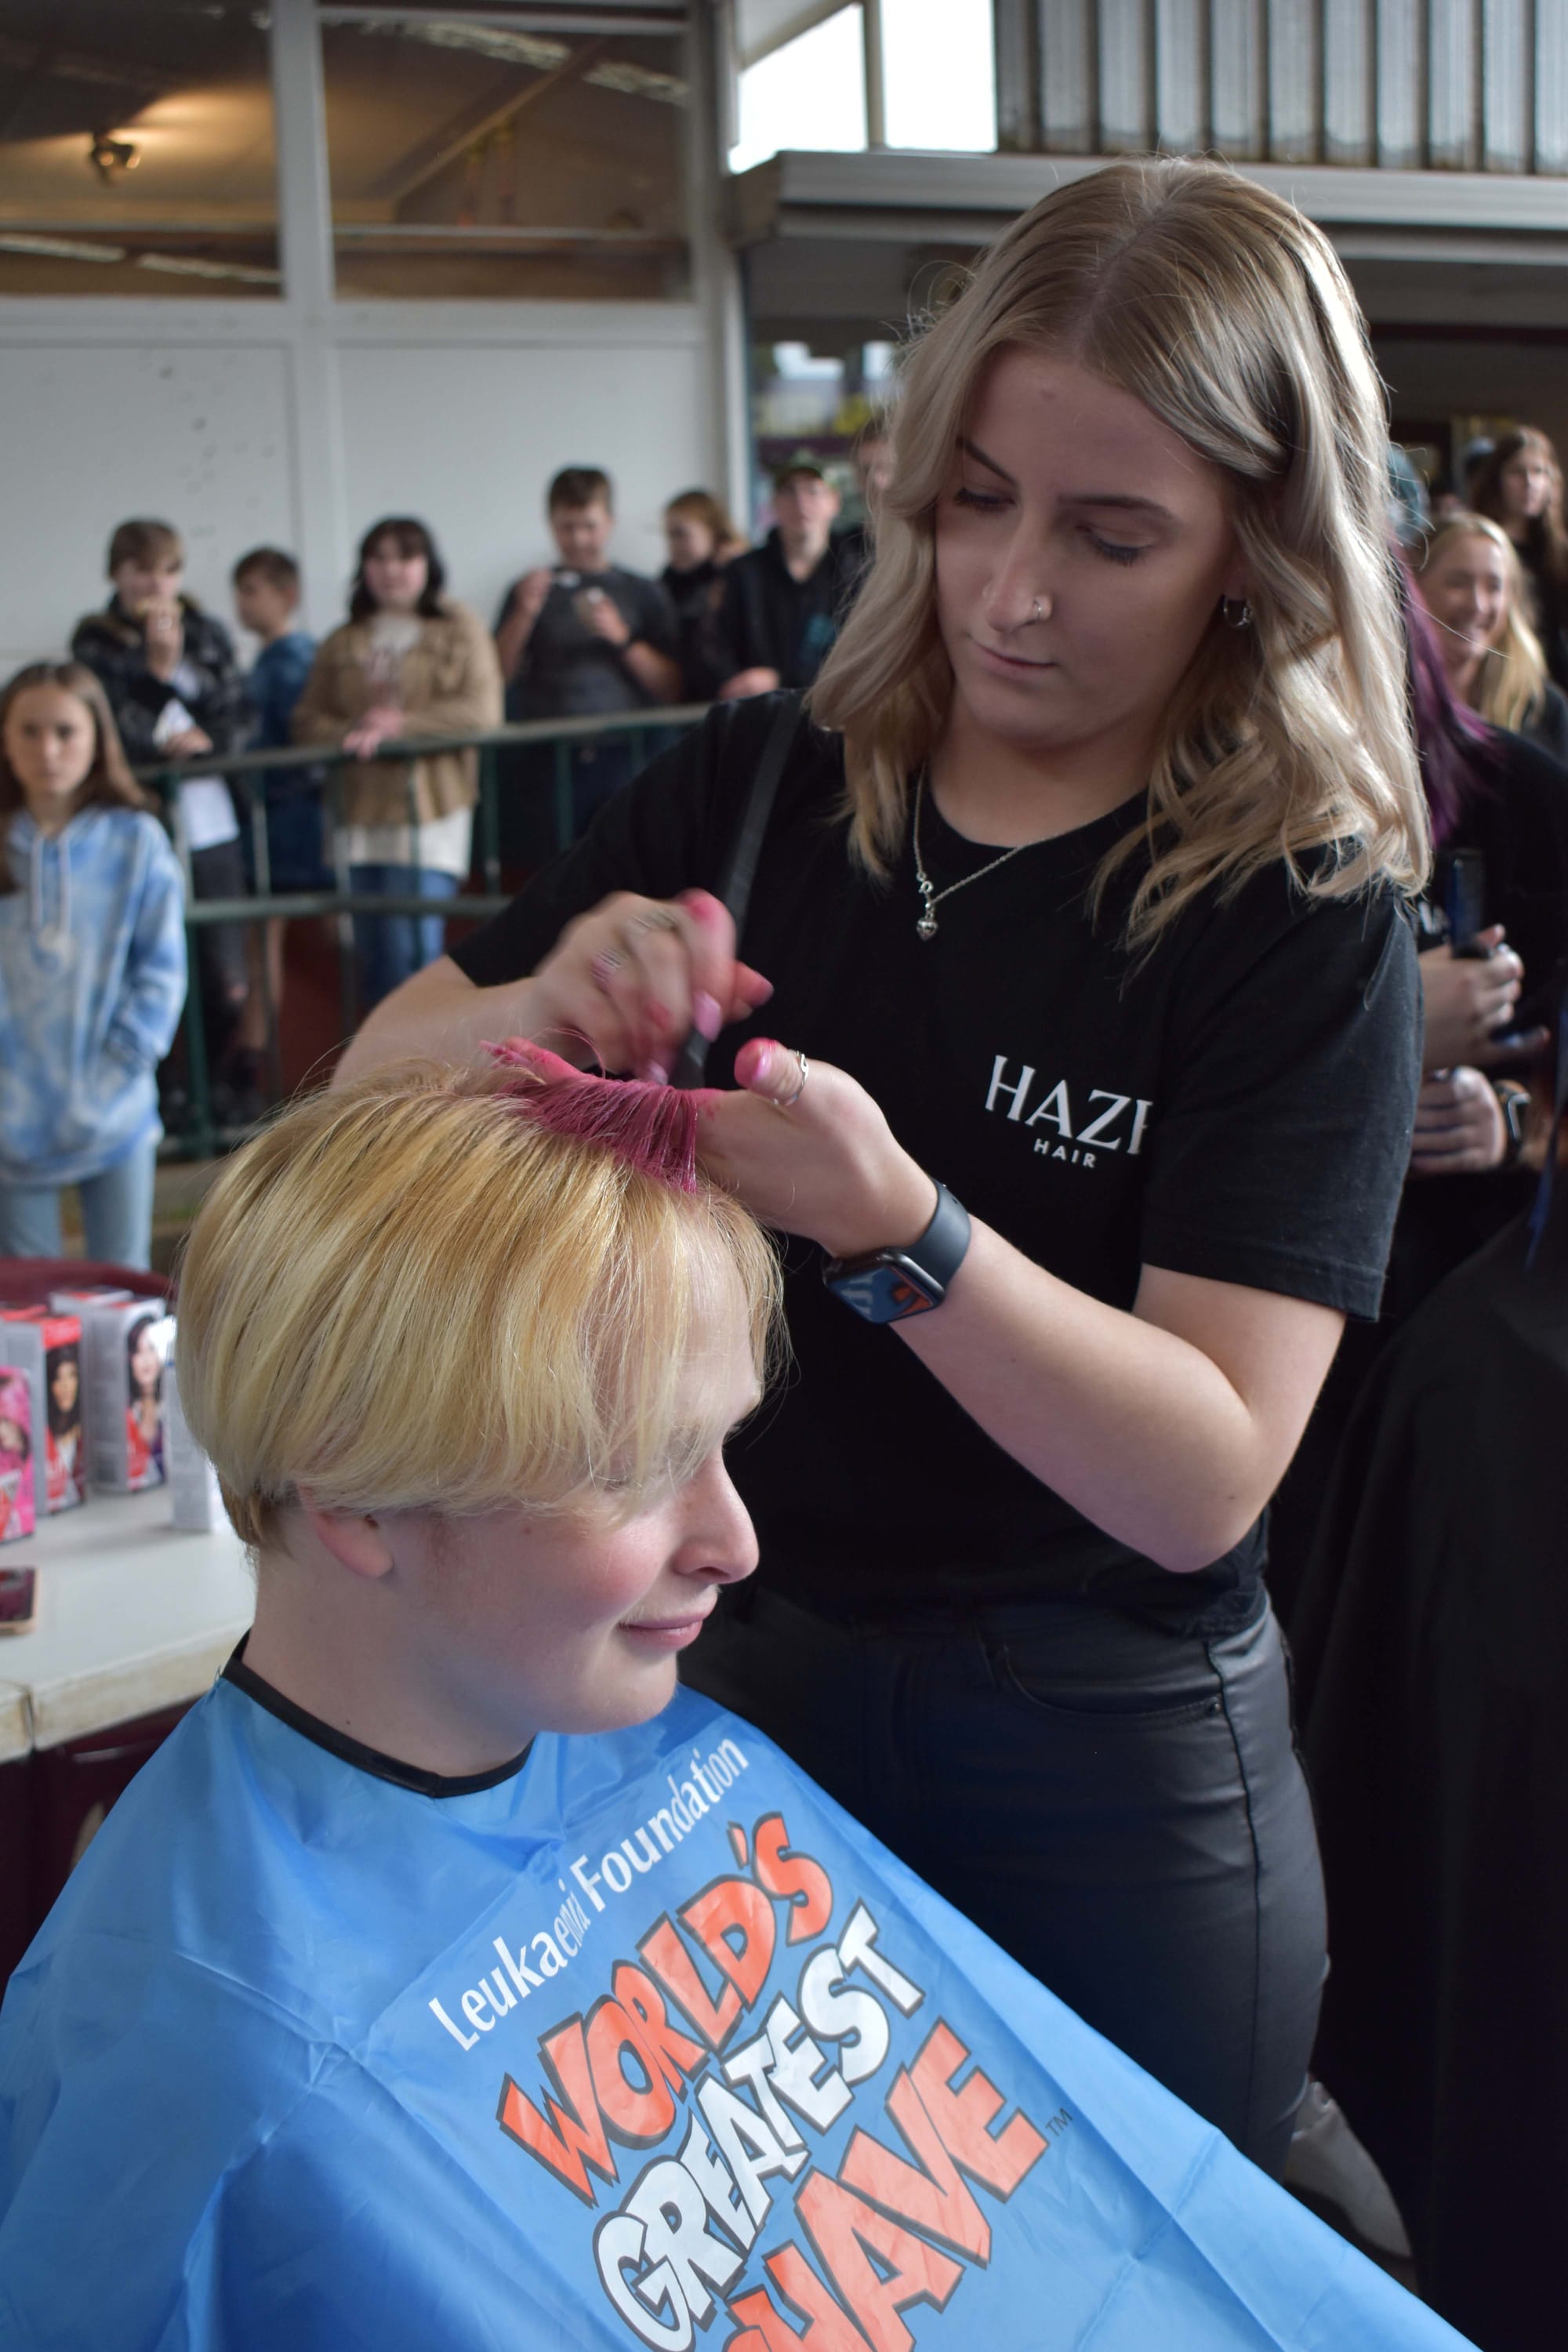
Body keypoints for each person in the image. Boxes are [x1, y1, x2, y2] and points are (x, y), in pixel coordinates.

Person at [338, 157, 1430, 2178]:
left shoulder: (1294, 907)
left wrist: (899, 1231)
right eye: (970, 505)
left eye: (1109, 535)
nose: (1010, 591)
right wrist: (549, 1002)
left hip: (1094, 1744)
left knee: (1127, 2266)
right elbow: (361, 1085)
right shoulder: (758, 780)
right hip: (727, 1677)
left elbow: (1203, 1472)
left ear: (1255, 552)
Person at [0, 1053, 1455, 2352]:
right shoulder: (225, 2081)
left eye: (720, 1447)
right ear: (352, 1496)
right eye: (635, 1468)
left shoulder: (635, 1733)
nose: (736, 1544)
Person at [0, 662, 186, 1269]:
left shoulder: (137, 841)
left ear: (97, 739)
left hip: (115, 1109)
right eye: (29, 731)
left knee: (123, 1285)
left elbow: (162, 968)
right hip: (11, 1117)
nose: (48, 750)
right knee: (30, 1294)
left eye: (65, 731)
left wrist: (127, 1059)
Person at [292, 518, 502, 1011]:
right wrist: (352, 731)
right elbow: (306, 719)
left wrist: (401, 725)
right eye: (379, 558)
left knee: (415, 951)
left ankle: (424, 1058)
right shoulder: (343, 639)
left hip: (431, 807)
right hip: (358, 810)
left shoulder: (458, 627)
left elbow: (483, 711)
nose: (391, 570)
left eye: (405, 558)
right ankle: (381, 1058)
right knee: (372, 954)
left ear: (428, 565)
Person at [71, 520, 251, 1089]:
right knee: (153, 964)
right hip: (141, 821)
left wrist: (206, 741)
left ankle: (209, 1089)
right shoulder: (95, 640)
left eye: (168, 570)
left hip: (213, 824)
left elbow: (240, 716)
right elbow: (109, 733)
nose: (156, 584)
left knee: (227, 978)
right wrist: (156, 672)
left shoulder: (207, 631)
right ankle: (169, 1094)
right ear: (116, 573)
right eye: (142, 570)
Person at [495, 467, 682, 833]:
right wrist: (524, 613)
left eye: (589, 526)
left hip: (631, 755)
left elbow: (673, 687)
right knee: (558, 862)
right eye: (567, 527)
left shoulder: (643, 590)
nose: (579, 539)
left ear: (610, 523)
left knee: (630, 858)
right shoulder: (527, 590)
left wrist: (623, 639)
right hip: (550, 760)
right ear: (551, 524)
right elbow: (498, 675)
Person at [231, 546, 325, 1102]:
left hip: (288, 824)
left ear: (286, 595)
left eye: (252, 590)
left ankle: (252, 1064)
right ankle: (252, 1061)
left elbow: (297, 749)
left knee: (267, 939)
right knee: (260, 942)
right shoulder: (272, 659)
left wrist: (264, 791)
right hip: (273, 819)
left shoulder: (293, 661)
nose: (242, 603)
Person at [1415, 510, 1568, 760]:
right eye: (1457, 583)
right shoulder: (1387, 696)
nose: (1477, 605)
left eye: (1494, 587)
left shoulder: (1542, 709)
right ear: (1416, 588)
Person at [712, 460, 862, 699]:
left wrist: (782, 680)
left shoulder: (858, 573)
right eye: (789, 491)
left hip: (839, 707)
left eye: (813, 491)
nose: (800, 502)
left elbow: (866, 656)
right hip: (760, 711)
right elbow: (717, 646)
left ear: (834, 501)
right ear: (774, 503)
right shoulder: (743, 573)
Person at [1471, 426, 1568, 691]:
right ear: (1497, 479)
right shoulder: (1481, 544)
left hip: (1553, 680)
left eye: (1539, 472)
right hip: (1497, 675)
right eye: (1517, 472)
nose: (1529, 482)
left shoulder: (1557, 550)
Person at [661, 488, 745, 701]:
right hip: (686, 698)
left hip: (732, 694)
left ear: (712, 532)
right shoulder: (668, 583)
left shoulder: (740, 576)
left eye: (681, 534)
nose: (672, 545)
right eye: (669, 535)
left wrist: (733, 574)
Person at [125, 1310, 165, 1489]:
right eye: (139, 1352)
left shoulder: (171, 1407)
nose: (146, 1360)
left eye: (151, 1349)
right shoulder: (127, 1414)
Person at [45, 1339, 83, 1512]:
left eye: (71, 1375)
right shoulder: (45, 1435)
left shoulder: (81, 1434)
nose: (67, 1386)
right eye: (58, 1378)